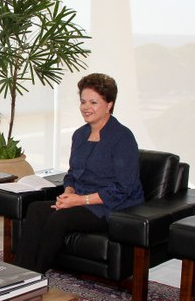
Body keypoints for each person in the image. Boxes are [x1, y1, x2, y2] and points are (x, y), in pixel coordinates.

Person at [14, 73, 144, 273]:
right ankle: (19, 273)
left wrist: (79, 200)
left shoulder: (122, 138)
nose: (86, 107)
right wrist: (68, 193)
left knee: (60, 218)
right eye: (83, 102)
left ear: (109, 104)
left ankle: (35, 276)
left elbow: (124, 188)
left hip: (111, 206)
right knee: (36, 209)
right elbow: (72, 174)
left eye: (93, 102)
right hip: (81, 200)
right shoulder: (80, 135)